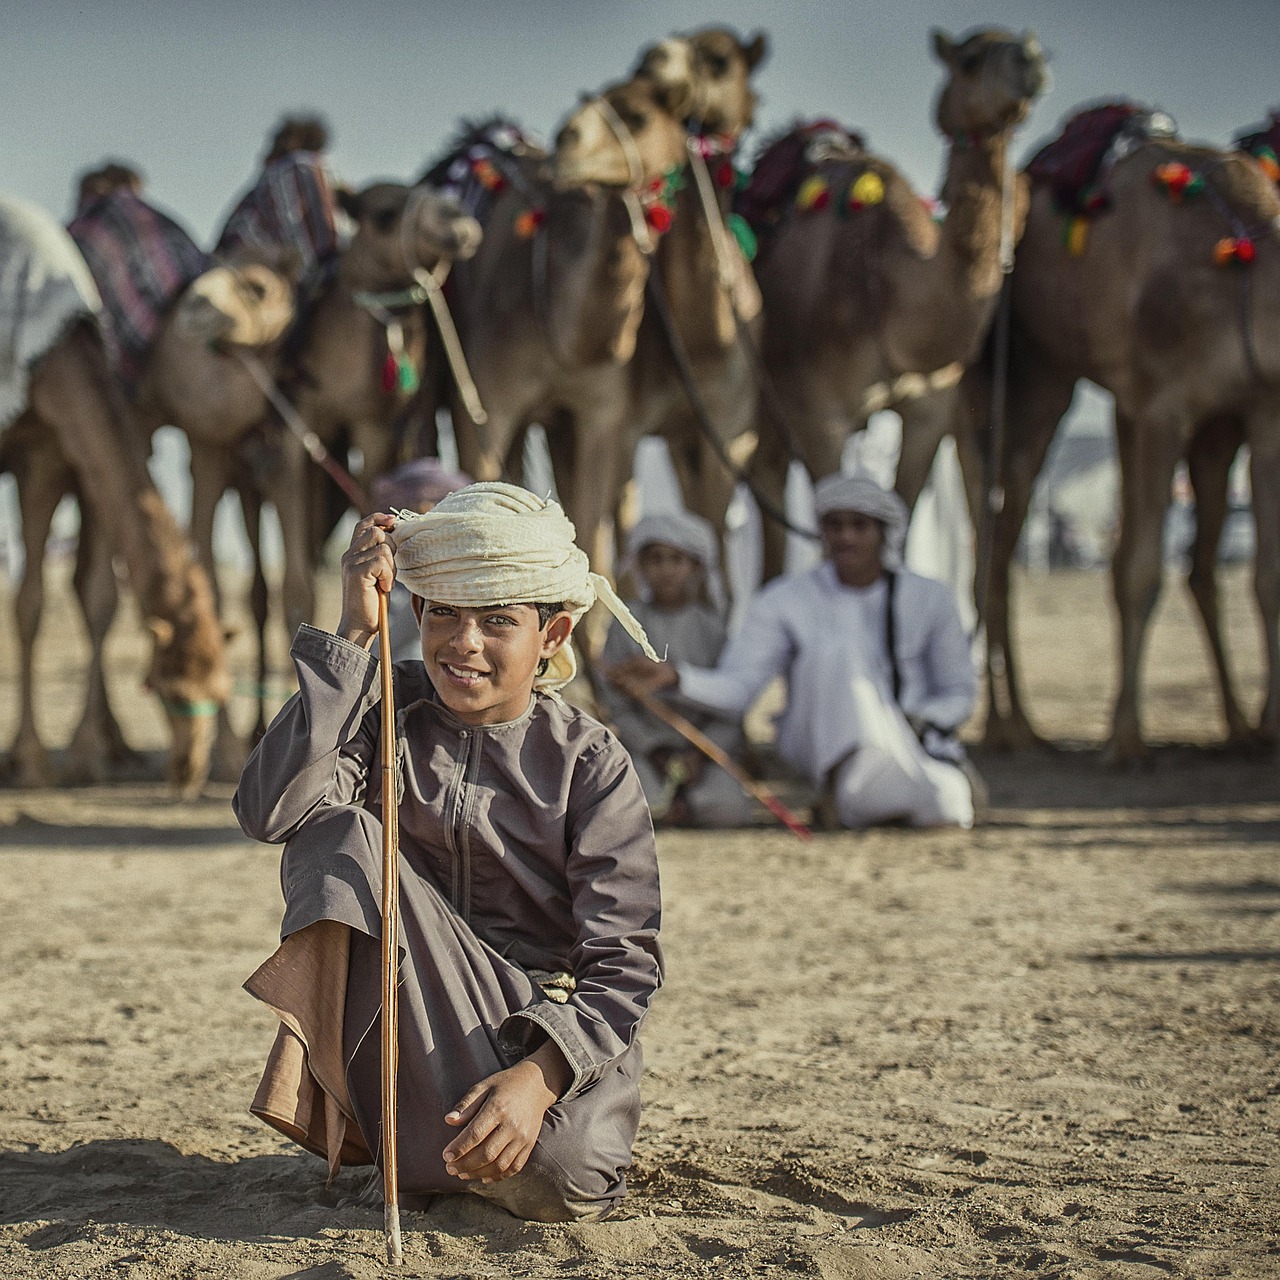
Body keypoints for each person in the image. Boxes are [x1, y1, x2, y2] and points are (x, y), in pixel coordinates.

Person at [234, 481, 664, 1222]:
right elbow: (274, 811)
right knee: (339, 834)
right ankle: (416, 1136)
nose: (464, 644)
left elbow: (625, 964)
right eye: (443, 615)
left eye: (498, 621)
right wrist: (353, 639)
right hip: (408, 1026)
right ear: (417, 615)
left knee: (561, 1178)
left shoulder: (589, 762)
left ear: (552, 637)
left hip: (542, 1032)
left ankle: (446, 1142)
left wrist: (538, 1078)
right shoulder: (379, 711)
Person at [611, 472, 980, 829]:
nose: (846, 537)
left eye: (859, 525)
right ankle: (847, 791)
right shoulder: (786, 600)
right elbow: (739, 687)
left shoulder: (929, 597)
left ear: (883, 531)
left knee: (948, 805)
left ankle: (868, 798)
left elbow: (959, 692)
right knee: (838, 654)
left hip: (913, 737)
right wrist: (678, 677)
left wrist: (913, 723)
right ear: (821, 532)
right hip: (823, 744)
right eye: (835, 525)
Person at [599, 511, 753, 827]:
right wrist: (656, 752)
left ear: (695, 567)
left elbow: (729, 705)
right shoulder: (625, 624)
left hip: (701, 751)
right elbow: (615, 706)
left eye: (676, 560)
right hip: (646, 750)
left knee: (728, 812)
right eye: (656, 560)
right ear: (640, 566)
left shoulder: (712, 628)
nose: (666, 570)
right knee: (638, 810)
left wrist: (699, 756)